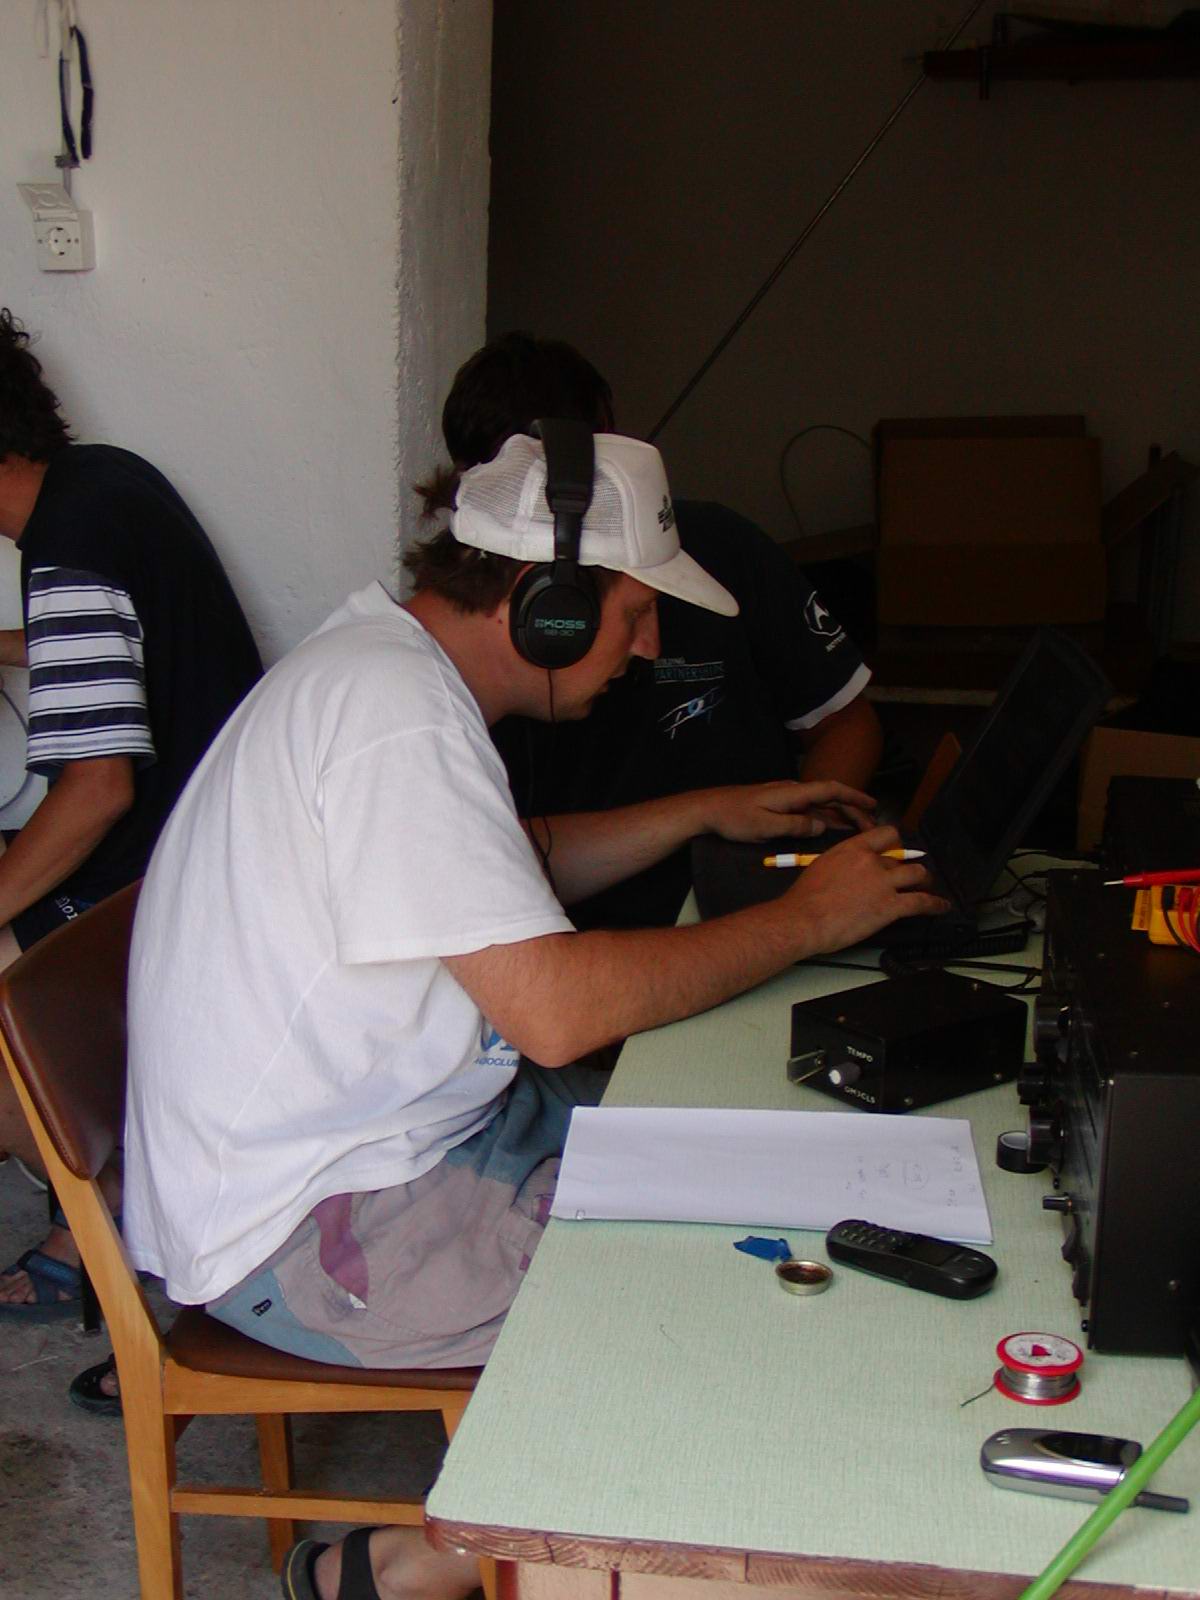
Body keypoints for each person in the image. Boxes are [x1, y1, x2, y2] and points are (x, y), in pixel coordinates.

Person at [121, 429, 944, 1600]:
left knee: (729, 1143)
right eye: (635, 614)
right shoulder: (394, 716)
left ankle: (434, 1547)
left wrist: (700, 810)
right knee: (731, 1294)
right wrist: (808, 920)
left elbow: (508, 865)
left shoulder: (388, 672)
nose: (649, 646)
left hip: (396, 1140)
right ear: (546, 609)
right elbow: (556, 1011)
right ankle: (420, 1564)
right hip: (312, 1222)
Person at [426, 332, 883, 933]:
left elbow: (846, 721)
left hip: (752, 902)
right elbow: (495, 888)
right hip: (598, 943)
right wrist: (796, 920)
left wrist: (797, 858)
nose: (650, 645)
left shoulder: (723, 546)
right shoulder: (440, 676)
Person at [0, 307, 263, 1329]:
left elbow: (97, 789)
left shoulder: (67, 548)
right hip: (213, 839)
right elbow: (114, 639)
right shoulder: (104, 482)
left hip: (163, 880)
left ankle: (107, 1213)